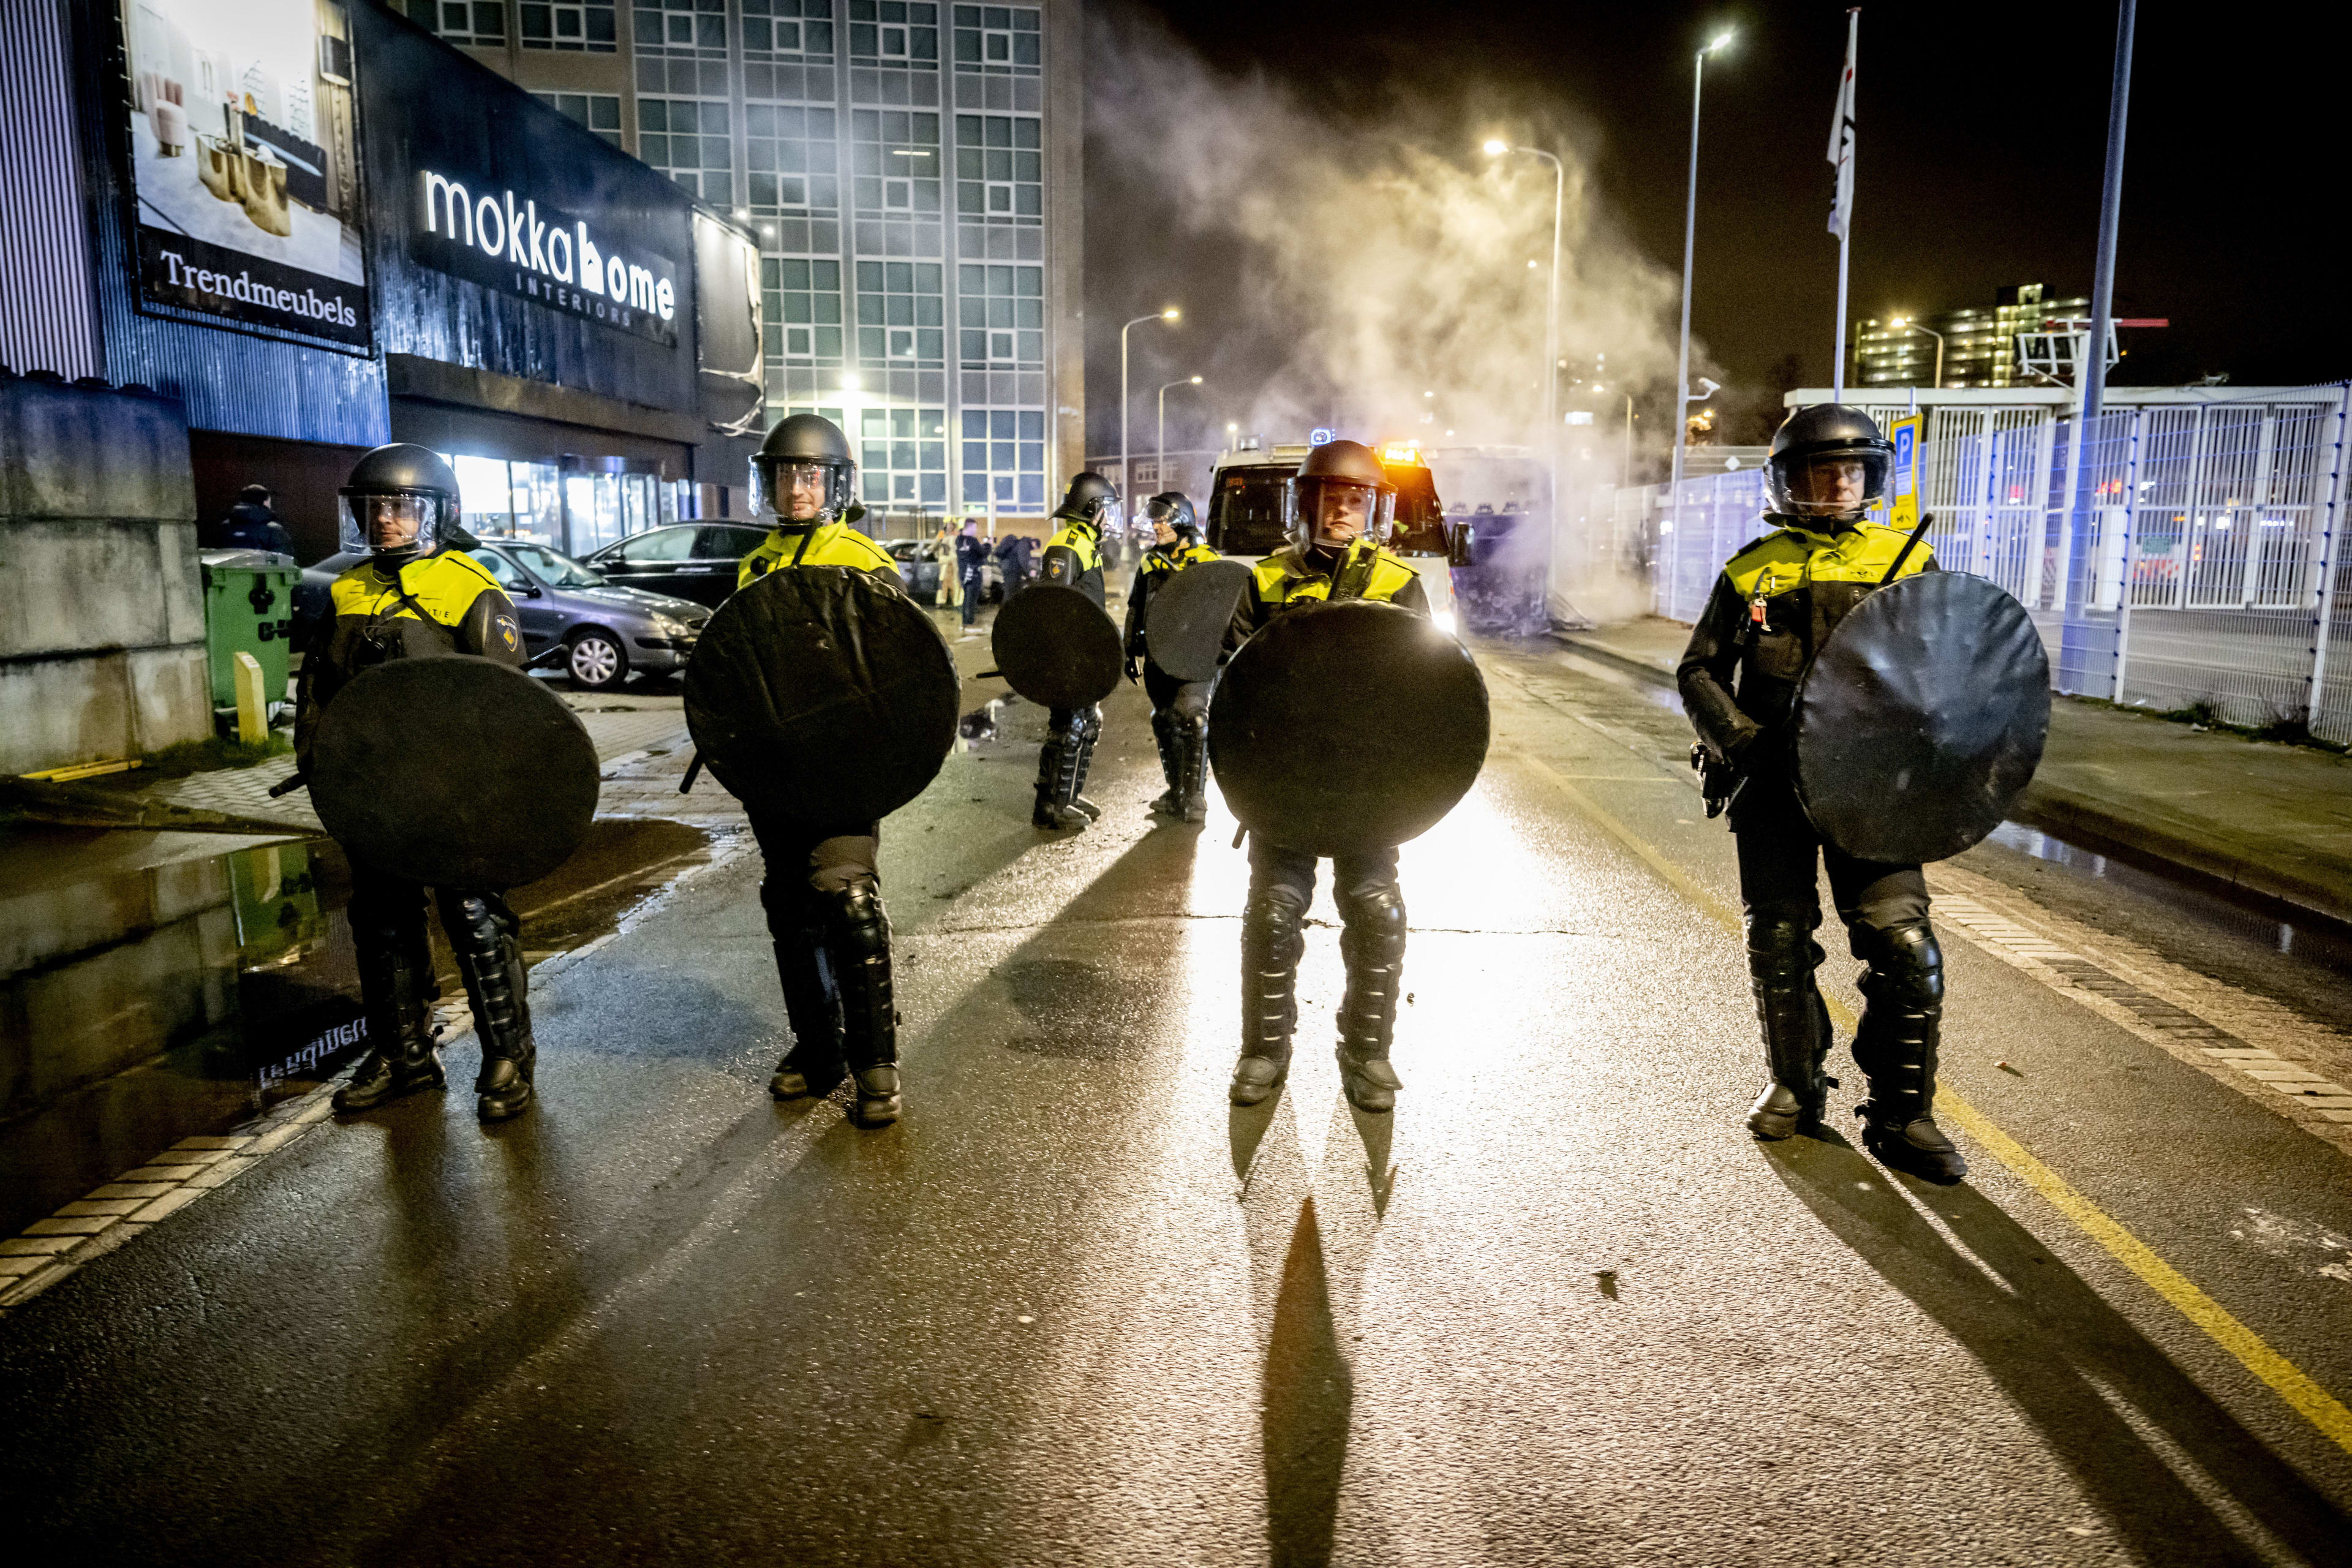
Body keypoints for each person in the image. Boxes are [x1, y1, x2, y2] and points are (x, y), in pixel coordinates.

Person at [1676, 404, 1964, 1185]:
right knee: (1777, 940)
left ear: (1871, 476)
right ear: (1791, 479)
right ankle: (1796, 1086)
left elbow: (1951, 676)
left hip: (1874, 792)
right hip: (1770, 786)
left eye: (1852, 470)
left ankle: (1905, 1112)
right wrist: (1740, 741)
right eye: (1822, 470)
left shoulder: (1911, 562)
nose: (1839, 483)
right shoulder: (1752, 569)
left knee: (1907, 947)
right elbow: (1698, 670)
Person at [292, 445, 539, 1121]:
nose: (386, 521)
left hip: (458, 797)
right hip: (379, 795)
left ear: (438, 513)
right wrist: (320, 765)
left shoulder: (470, 589)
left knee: (474, 918)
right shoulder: (348, 591)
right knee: (382, 922)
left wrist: (497, 794)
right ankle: (403, 1057)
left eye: (401, 506)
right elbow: (319, 692)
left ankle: (508, 1053)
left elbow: (509, 702)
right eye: (373, 508)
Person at [1223, 440, 1430, 1114]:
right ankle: (1265, 1049)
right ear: (1305, 503)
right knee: (1274, 911)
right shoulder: (1267, 580)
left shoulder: (1396, 584)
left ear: (1371, 507)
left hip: (1366, 783)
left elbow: (1427, 690)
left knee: (1378, 910)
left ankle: (1367, 1050)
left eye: (1353, 499)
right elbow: (1235, 678)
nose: (1341, 511)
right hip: (1286, 779)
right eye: (1328, 498)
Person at [733, 415, 911, 1127]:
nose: (796, 488)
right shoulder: (754, 566)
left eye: (809, 474)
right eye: (784, 474)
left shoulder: (865, 562)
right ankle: (818, 1050)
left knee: (846, 896)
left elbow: (901, 675)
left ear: (834, 482)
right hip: (776, 774)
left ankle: (876, 1062)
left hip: (843, 771)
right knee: (790, 908)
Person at [1121, 492, 1219, 821]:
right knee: (1164, 719)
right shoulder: (1150, 561)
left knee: (1193, 716)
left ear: (1182, 520)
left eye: (1163, 519)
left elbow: (1224, 611)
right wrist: (1130, 647)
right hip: (1157, 656)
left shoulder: (1208, 560)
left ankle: (1195, 798)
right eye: (1155, 520)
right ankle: (1176, 790)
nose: (1157, 526)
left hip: (1195, 656)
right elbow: (1137, 605)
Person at [1030, 471, 1120, 831]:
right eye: (1107, 509)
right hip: (1066, 657)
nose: (1110, 517)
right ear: (1093, 508)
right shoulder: (1067, 544)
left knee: (1088, 722)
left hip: (1083, 654)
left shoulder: (1086, 543)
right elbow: (1054, 606)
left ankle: (1068, 795)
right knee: (1067, 727)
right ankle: (1049, 806)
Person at [211, 483, 296, 556]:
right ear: (266, 502)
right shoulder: (274, 531)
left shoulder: (224, 528)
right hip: (263, 575)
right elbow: (285, 562)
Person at [956, 518, 992, 632]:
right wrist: (988, 545)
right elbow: (983, 553)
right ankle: (969, 624)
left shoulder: (959, 540)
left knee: (967, 598)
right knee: (971, 600)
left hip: (963, 573)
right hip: (973, 574)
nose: (976, 530)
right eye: (975, 528)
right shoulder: (972, 541)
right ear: (970, 527)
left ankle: (965, 623)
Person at [992, 530, 1034, 597]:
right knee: (1010, 592)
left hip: (1009, 569)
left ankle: (1014, 607)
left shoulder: (1020, 544)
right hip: (1012, 570)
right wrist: (1029, 573)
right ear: (1033, 542)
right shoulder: (1024, 545)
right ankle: (1006, 607)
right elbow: (1023, 561)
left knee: (1015, 591)